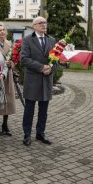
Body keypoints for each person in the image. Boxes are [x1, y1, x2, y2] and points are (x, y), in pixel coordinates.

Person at [20, 16, 56, 146]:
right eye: (41, 23)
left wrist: (50, 68)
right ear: (34, 26)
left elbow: (56, 59)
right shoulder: (27, 40)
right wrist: (41, 67)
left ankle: (40, 133)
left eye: (45, 23)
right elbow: (24, 59)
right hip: (33, 80)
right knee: (29, 109)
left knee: (43, 110)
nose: (44, 25)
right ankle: (27, 134)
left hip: (46, 80)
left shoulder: (51, 40)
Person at [0, 23, 16, 136]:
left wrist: (12, 63)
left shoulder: (9, 43)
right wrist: (0, 63)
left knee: (9, 99)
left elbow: (14, 59)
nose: (2, 32)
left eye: (3, 30)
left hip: (8, 75)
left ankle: (5, 125)